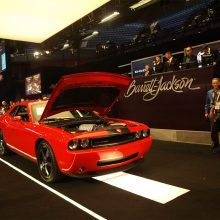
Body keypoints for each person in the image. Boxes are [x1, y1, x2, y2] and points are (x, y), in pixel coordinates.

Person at [205, 78, 220, 153]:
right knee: (213, 130)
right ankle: (215, 145)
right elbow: (207, 104)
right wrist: (206, 112)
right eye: (213, 83)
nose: (215, 84)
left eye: (216, 83)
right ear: (212, 84)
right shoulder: (209, 92)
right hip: (212, 113)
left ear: (219, 83)